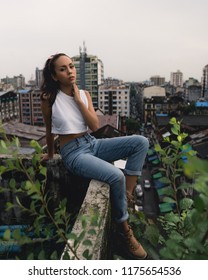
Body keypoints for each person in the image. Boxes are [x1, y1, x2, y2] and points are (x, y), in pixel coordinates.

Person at [40, 53, 149, 259]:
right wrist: (51, 154)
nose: (69, 71)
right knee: (115, 175)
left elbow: (94, 125)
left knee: (140, 142)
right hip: (73, 152)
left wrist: (78, 101)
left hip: (92, 143)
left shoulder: (84, 94)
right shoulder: (49, 99)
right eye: (63, 69)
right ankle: (125, 231)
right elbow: (49, 129)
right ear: (54, 76)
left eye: (71, 67)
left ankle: (126, 195)